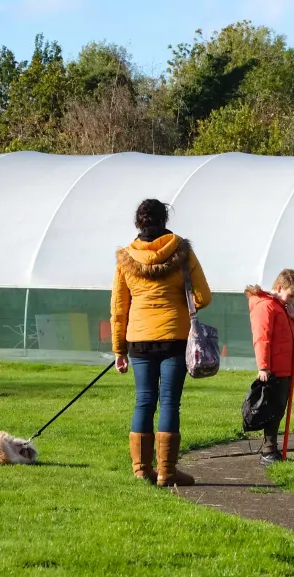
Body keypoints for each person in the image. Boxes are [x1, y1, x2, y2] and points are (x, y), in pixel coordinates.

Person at [111, 198, 211, 486]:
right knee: (169, 402)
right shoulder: (182, 251)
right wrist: (178, 303)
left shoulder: (125, 257)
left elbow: (119, 308)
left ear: (138, 222)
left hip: (139, 340)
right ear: (165, 220)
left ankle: (142, 470)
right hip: (174, 338)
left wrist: (119, 350)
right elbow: (204, 296)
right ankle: (167, 472)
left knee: (143, 401)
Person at [246, 270, 294, 465]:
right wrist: (263, 366)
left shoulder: (282, 306)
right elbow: (261, 338)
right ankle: (268, 450)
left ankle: (271, 448)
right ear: (279, 288)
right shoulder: (266, 307)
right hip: (274, 369)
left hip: (286, 367)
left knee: (279, 409)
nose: (292, 299)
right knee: (271, 409)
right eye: (291, 294)